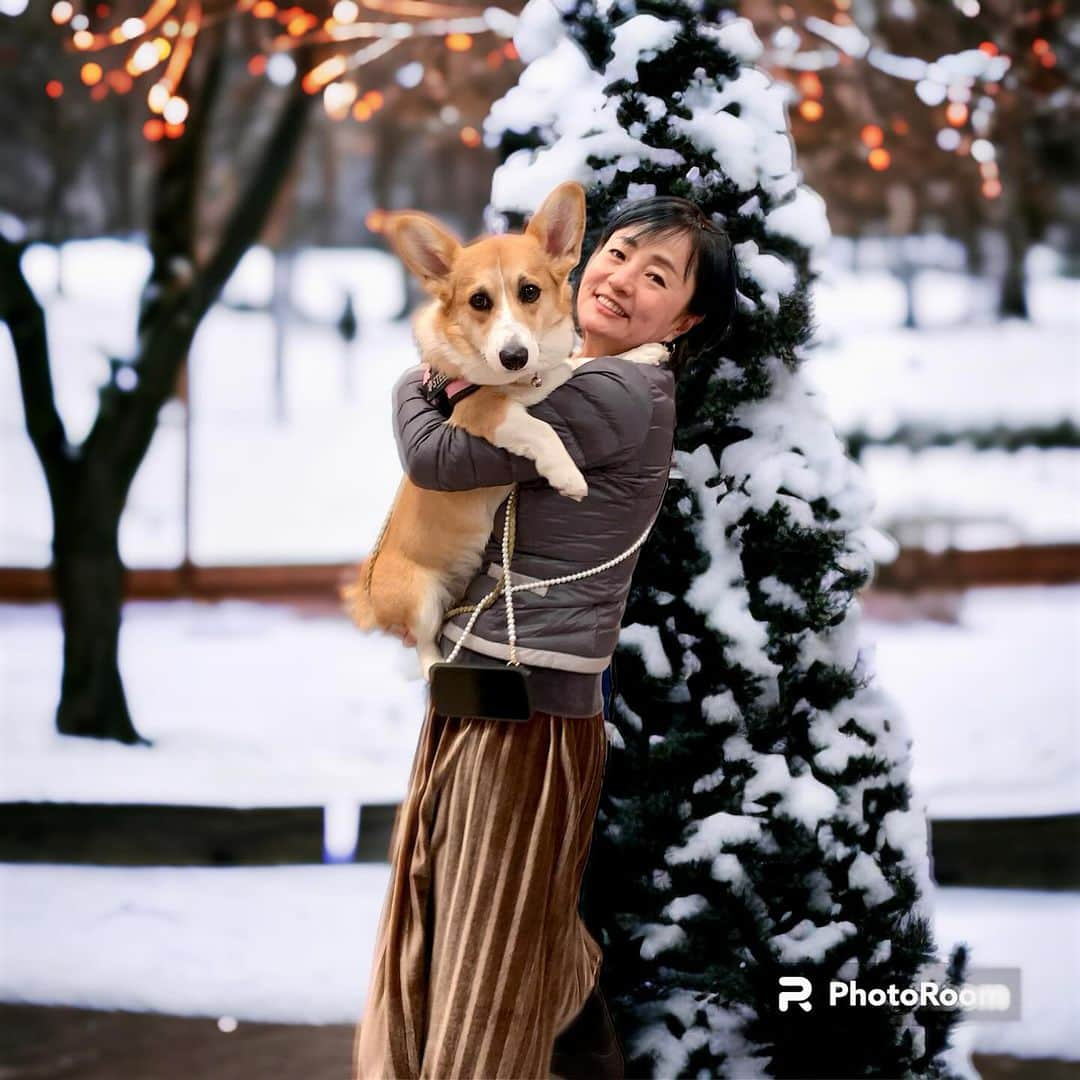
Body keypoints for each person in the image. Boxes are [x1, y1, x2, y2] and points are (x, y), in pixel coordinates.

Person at [353, 195, 737, 1080]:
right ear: (585, 259)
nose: (623, 280)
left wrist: (423, 375)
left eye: (658, 277)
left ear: (684, 320)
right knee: (484, 935)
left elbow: (436, 456)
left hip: (527, 715)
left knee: (487, 971)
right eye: (621, 254)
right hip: (483, 696)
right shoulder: (563, 375)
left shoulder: (621, 391)